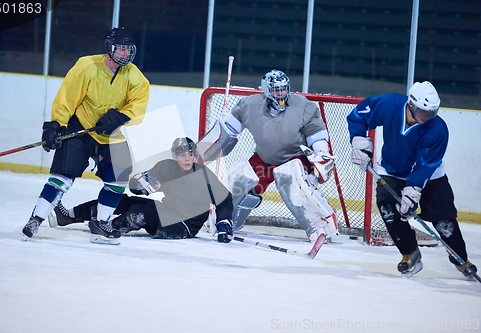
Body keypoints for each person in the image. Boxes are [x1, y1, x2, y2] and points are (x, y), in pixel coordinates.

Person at [22, 27, 150, 245]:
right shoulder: (87, 66)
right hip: (80, 126)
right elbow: (67, 96)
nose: (125, 54)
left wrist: (120, 116)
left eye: (128, 50)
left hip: (110, 133)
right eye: (120, 49)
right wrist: (55, 125)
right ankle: (36, 218)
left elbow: (139, 105)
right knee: (63, 176)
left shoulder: (134, 75)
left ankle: (101, 222)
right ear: (109, 48)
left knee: (119, 177)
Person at [347, 81, 477, 278]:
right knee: (389, 209)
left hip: (430, 176)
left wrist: (412, 191)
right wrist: (359, 140)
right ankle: (410, 252)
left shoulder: (438, 129)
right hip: (392, 169)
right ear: (411, 105)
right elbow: (359, 115)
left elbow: (425, 165)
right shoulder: (389, 104)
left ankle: (460, 258)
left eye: (432, 113)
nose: (427, 118)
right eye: (424, 113)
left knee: (444, 221)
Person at [199, 69, 338, 245]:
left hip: (294, 158)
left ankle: (320, 227)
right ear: (266, 90)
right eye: (275, 90)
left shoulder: (303, 106)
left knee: (292, 181)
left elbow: (317, 136)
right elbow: (228, 130)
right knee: (239, 179)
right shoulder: (249, 106)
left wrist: (320, 156)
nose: (280, 94)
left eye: (284, 89)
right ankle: (223, 221)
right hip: (264, 159)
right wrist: (210, 149)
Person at [48, 138, 234, 243]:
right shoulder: (165, 166)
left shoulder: (203, 174)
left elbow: (225, 200)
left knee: (144, 212)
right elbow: (135, 186)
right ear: (175, 156)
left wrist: (224, 222)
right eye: (182, 155)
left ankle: (109, 228)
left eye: (190, 154)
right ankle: (69, 216)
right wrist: (141, 186)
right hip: (167, 211)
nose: (187, 158)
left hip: (184, 225)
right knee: (123, 200)